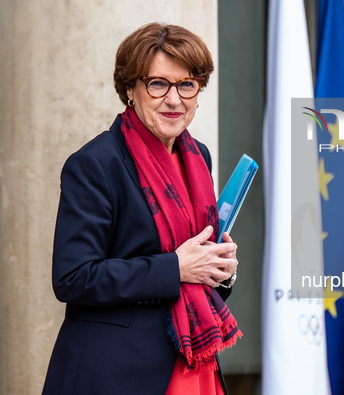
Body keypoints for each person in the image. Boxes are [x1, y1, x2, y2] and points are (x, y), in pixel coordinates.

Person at [42, 22, 240, 395]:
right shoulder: (95, 164)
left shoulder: (199, 159)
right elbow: (73, 278)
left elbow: (192, 270)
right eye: (158, 84)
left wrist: (218, 269)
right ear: (130, 90)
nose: (174, 99)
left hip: (193, 360)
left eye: (187, 84)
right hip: (117, 372)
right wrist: (176, 268)